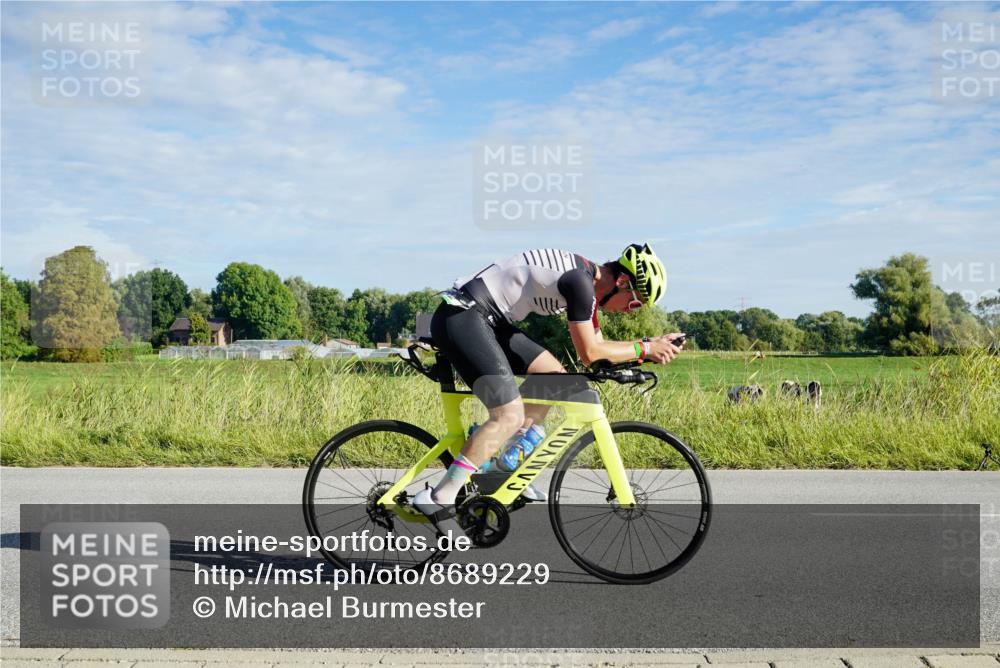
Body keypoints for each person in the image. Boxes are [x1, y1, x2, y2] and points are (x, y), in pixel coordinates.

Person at [413, 243, 685, 536]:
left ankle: (504, 466)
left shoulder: (587, 285)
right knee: (508, 415)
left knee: (555, 379)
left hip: (490, 320)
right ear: (621, 282)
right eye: (634, 304)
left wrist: (649, 347)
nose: (630, 313)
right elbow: (590, 353)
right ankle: (438, 497)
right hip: (464, 316)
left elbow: (601, 351)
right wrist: (645, 347)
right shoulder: (580, 282)